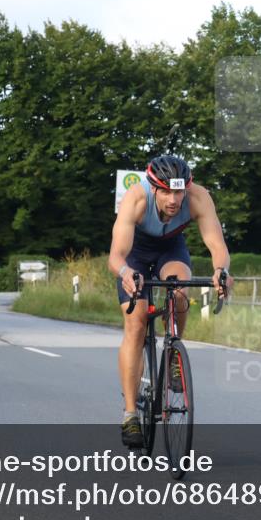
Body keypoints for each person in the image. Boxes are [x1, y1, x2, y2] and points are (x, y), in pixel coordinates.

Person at [108, 155, 232, 448]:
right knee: (136, 324)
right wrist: (127, 273)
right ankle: (130, 415)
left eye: (180, 192)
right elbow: (116, 256)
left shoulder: (199, 197)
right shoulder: (136, 199)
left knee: (178, 292)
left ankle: (174, 353)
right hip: (135, 252)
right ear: (154, 188)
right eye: (166, 191)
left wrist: (221, 271)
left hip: (171, 247)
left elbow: (217, 245)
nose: (175, 200)